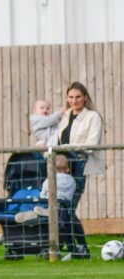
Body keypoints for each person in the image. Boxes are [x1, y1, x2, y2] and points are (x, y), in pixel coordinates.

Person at [54, 81, 103, 259]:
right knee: (60, 208)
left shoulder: (93, 117)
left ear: (85, 98)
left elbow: (91, 144)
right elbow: (57, 140)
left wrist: (67, 147)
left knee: (67, 208)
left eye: (78, 97)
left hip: (80, 165)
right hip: (62, 168)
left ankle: (81, 247)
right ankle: (72, 248)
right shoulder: (65, 116)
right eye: (71, 97)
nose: (74, 101)